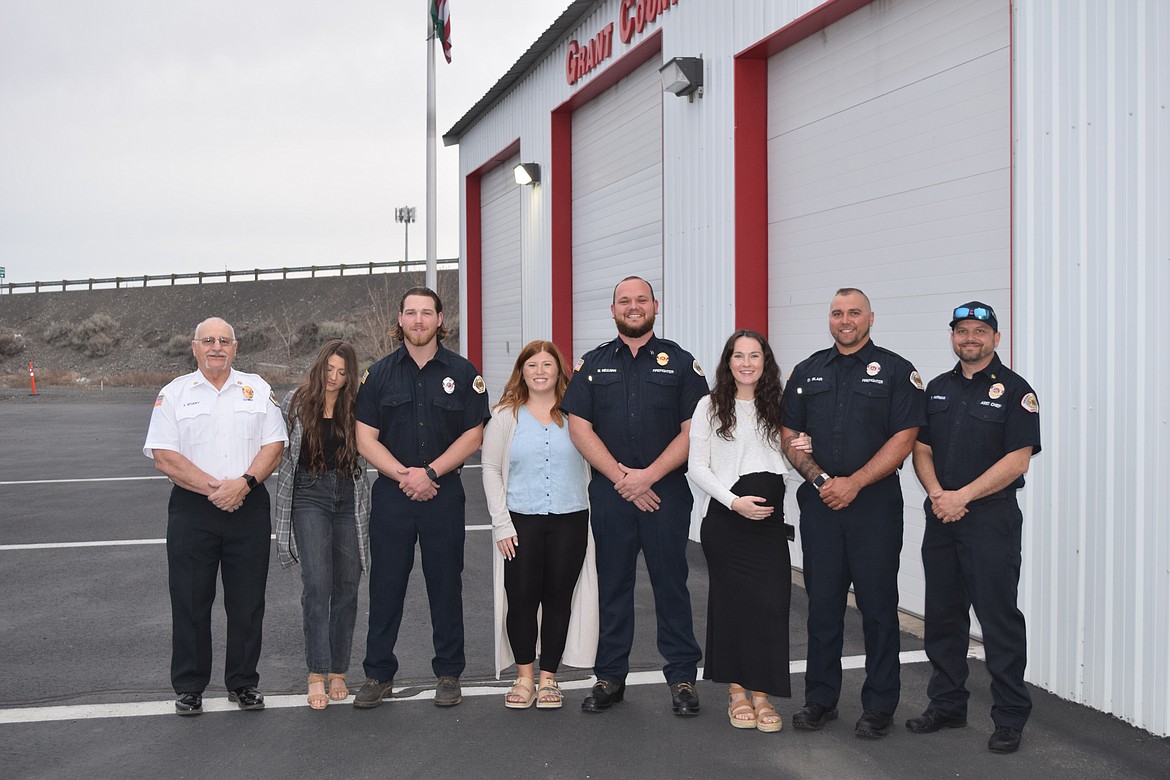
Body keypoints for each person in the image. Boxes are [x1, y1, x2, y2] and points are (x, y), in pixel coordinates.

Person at [780, 288, 926, 738]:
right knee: (822, 606)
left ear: (871, 318)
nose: (845, 320)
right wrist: (824, 481)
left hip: (874, 507)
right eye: (838, 313)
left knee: (878, 607)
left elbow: (904, 438)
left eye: (854, 313)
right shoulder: (807, 372)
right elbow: (788, 433)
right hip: (821, 505)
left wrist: (855, 483)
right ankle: (820, 699)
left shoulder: (898, 371)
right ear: (830, 319)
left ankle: (879, 705)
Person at [561, 276, 709, 717]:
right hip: (611, 494)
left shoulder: (681, 363)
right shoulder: (592, 363)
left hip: (665, 494)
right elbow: (579, 426)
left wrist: (648, 477)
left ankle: (682, 676)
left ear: (655, 306)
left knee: (671, 585)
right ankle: (610, 676)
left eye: (640, 300)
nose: (632, 306)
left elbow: (692, 431)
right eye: (624, 301)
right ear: (612, 310)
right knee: (614, 585)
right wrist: (623, 478)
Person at [907, 302, 1041, 754]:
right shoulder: (938, 389)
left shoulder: (1016, 391)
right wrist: (937, 494)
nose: (969, 338)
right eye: (962, 331)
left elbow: (1017, 459)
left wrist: (960, 497)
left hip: (990, 520)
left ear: (995, 339)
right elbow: (920, 449)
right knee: (943, 618)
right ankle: (947, 705)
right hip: (941, 517)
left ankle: (1008, 717)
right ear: (953, 337)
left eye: (979, 331)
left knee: (998, 619)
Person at [351, 286, 490, 709]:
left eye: (426, 313)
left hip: (443, 493)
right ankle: (378, 674)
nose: (417, 320)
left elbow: (473, 435)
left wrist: (430, 473)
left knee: (445, 583)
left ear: (439, 319)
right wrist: (405, 476)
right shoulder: (377, 375)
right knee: (386, 586)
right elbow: (364, 438)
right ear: (399, 320)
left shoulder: (465, 373)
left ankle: (449, 672)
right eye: (410, 312)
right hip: (393, 496)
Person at [144, 317, 287, 716]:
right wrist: (216, 488)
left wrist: (242, 484)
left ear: (236, 348)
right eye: (208, 340)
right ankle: (190, 687)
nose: (216, 347)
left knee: (247, 602)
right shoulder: (174, 394)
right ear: (194, 347)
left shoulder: (257, 389)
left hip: (248, 502)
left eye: (224, 341)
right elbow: (164, 456)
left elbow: (274, 445)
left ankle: (243, 683)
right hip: (194, 509)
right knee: (190, 600)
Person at [688, 330, 802, 733]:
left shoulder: (780, 405)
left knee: (770, 606)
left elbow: (786, 466)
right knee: (734, 605)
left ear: (765, 361)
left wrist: (801, 450)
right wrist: (733, 501)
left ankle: (764, 694)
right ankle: (738, 691)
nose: (747, 363)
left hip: (769, 526)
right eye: (739, 356)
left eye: (755, 356)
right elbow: (696, 467)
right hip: (726, 522)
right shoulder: (709, 406)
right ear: (729, 362)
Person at [481, 340, 598, 709]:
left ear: (559, 371)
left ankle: (549, 679)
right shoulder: (505, 416)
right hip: (520, 522)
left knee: (558, 599)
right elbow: (490, 469)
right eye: (532, 365)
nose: (540, 371)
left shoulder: (576, 414)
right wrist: (501, 524)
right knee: (522, 600)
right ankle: (525, 676)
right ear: (522, 372)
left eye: (547, 365)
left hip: (571, 518)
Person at [274, 340, 371, 710]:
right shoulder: (296, 403)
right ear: (319, 367)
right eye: (329, 369)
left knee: (348, 584)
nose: (334, 378)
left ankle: (338, 671)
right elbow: (274, 448)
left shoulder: (356, 406)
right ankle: (316, 671)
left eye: (342, 372)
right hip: (309, 495)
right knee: (317, 585)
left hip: (349, 495)